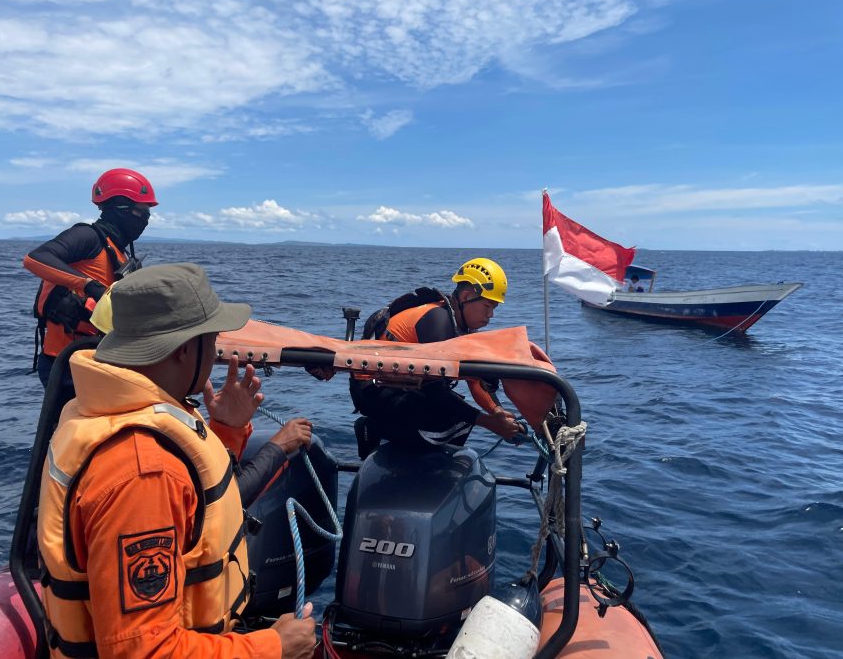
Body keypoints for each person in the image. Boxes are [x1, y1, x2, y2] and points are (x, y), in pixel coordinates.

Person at [36, 263, 317, 659]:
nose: (216, 351)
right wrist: (274, 647)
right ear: (185, 348)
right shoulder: (143, 471)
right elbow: (142, 651)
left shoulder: (103, 411)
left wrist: (226, 430)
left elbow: (193, 506)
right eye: (212, 338)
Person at [350, 257, 523, 459]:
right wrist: (488, 423)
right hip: (377, 393)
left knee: (458, 417)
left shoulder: (458, 325)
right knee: (455, 421)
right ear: (466, 297)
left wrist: (496, 411)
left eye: (494, 308)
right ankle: (374, 428)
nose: (491, 315)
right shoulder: (437, 321)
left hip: (404, 391)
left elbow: (475, 381)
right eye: (488, 306)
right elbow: (434, 391)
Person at [23, 167, 157, 406]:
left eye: (148, 213)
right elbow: (35, 259)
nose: (145, 220)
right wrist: (88, 285)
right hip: (66, 364)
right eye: (141, 212)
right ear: (119, 209)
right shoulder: (87, 236)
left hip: (100, 361)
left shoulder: (119, 252)